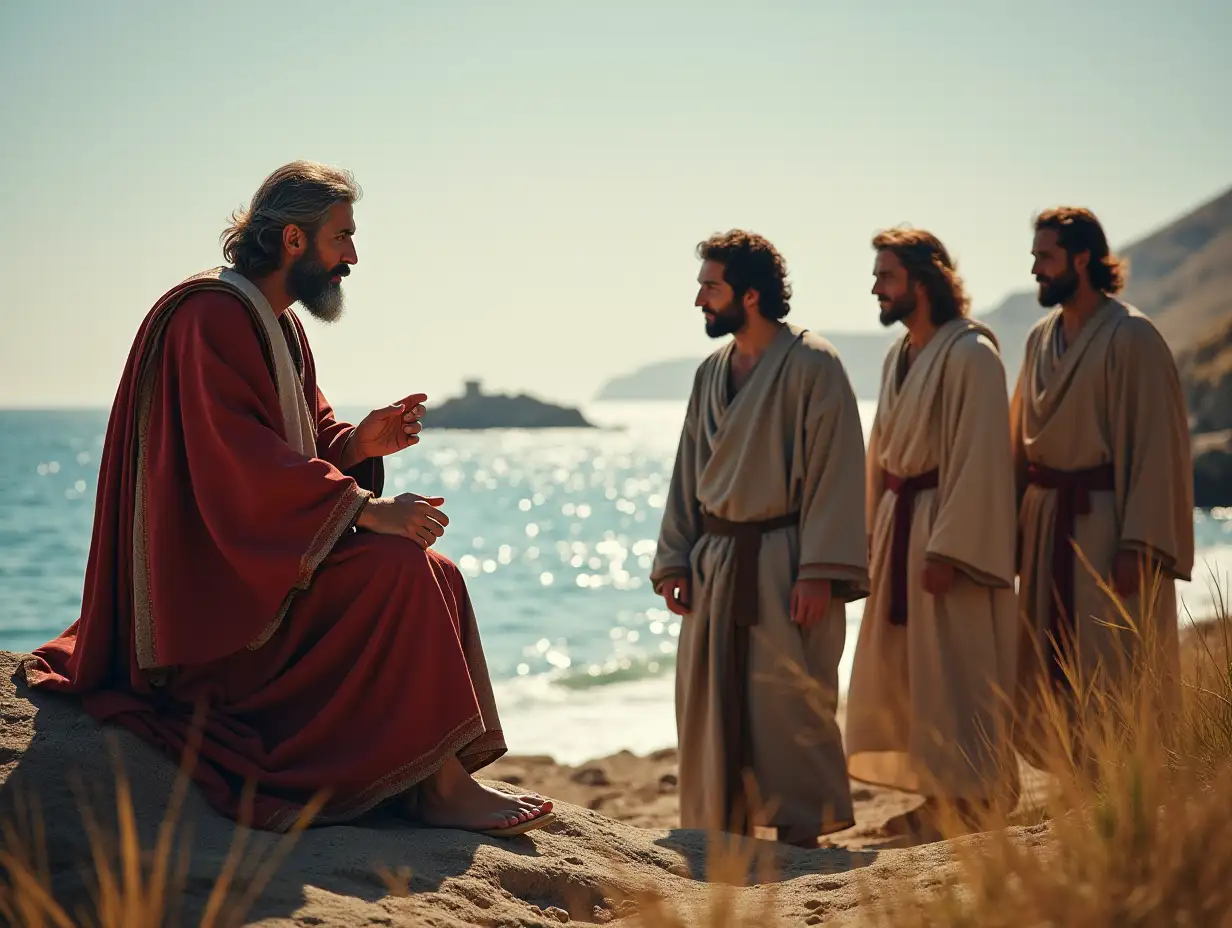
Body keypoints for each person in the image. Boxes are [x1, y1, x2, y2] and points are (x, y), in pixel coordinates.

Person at [20, 161, 555, 838]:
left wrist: (358, 445)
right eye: (342, 237)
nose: (353, 257)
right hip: (211, 610)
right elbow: (237, 462)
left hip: (257, 568)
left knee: (438, 572)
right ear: (294, 241)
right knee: (397, 568)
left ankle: (430, 772)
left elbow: (298, 444)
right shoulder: (209, 315)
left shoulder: (277, 323)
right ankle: (437, 792)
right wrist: (364, 510)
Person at [650, 230, 869, 848]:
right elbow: (687, 473)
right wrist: (674, 562)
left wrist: (819, 571)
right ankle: (724, 833)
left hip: (787, 561)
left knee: (791, 704)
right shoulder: (710, 373)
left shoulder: (813, 365)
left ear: (749, 294)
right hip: (715, 563)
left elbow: (838, 471)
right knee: (712, 708)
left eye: (709, 287)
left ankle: (803, 836)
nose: (699, 300)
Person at [844, 227, 1020, 837]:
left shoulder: (972, 354)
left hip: (947, 532)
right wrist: (867, 533)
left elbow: (982, 457)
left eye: (886, 276)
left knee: (959, 667)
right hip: (900, 524)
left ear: (923, 281)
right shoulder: (899, 357)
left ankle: (979, 795)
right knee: (915, 669)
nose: (875, 287)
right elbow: (880, 452)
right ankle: (939, 793)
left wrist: (949, 547)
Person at [1011, 206, 1193, 755]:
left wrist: (1139, 543)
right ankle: (1075, 791)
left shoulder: (1132, 337)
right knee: (1051, 670)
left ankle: (1126, 794)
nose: (1036, 269)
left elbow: (1160, 448)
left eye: (1045, 257)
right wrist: (1010, 536)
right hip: (1048, 528)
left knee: (1114, 665)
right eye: (1035, 257)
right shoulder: (1040, 339)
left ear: (1083, 258)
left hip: (1106, 528)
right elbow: (1017, 442)